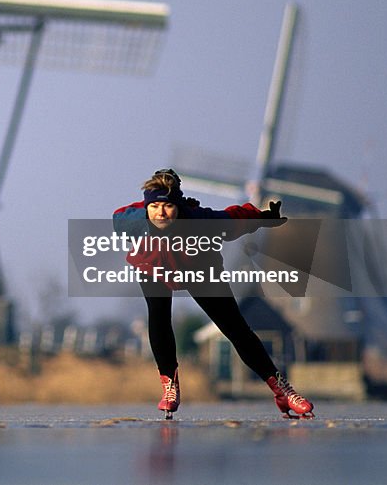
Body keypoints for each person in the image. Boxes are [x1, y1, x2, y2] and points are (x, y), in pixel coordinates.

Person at [112, 168, 315, 419]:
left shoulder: (197, 220)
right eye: (154, 207)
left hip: (198, 267)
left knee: (235, 328)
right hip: (154, 266)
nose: (161, 213)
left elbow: (231, 220)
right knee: (159, 316)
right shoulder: (136, 219)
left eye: (168, 207)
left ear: (179, 207)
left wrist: (261, 217)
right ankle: (170, 386)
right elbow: (118, 218)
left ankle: (280, 388)